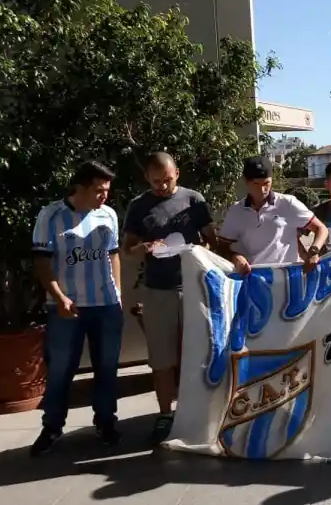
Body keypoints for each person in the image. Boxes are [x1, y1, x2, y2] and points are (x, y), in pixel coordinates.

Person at [122, 152, 218, 444]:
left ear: (177, 173)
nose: (162, 186)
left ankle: (200, 412)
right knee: (162, 358)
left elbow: (211, 239)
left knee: (199, 353)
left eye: (166, 180)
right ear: (146, 178)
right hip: (158, 290)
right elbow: (127, 248)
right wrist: (146, 247)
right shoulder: (139, 206)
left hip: (193, 288)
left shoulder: (193, 200)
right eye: (155, 182)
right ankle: (165, 414)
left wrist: (200, 251)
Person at [30, 162, 124, 456]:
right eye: (98, 190)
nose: (103, 196)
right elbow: (42, 261)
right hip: (66, 307)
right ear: (79, 188)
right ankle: (53, 426)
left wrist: (118, 294)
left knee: (107, 367)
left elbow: (113, 255)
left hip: (105, 305)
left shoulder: (108, 214)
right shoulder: (52, 215)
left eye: (107, 190)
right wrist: (58, 296)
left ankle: (106, 422)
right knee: (60, 369)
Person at [218, 157, 329, 272]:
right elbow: (222, 247)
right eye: (256, 184)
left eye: (266, 183)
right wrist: (235, 257)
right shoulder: (236, 211)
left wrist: (314, 251)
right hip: (253, 278)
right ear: (246, 181)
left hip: (287, 276)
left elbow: (321, 229)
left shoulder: (288, 204)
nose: (262, 190)